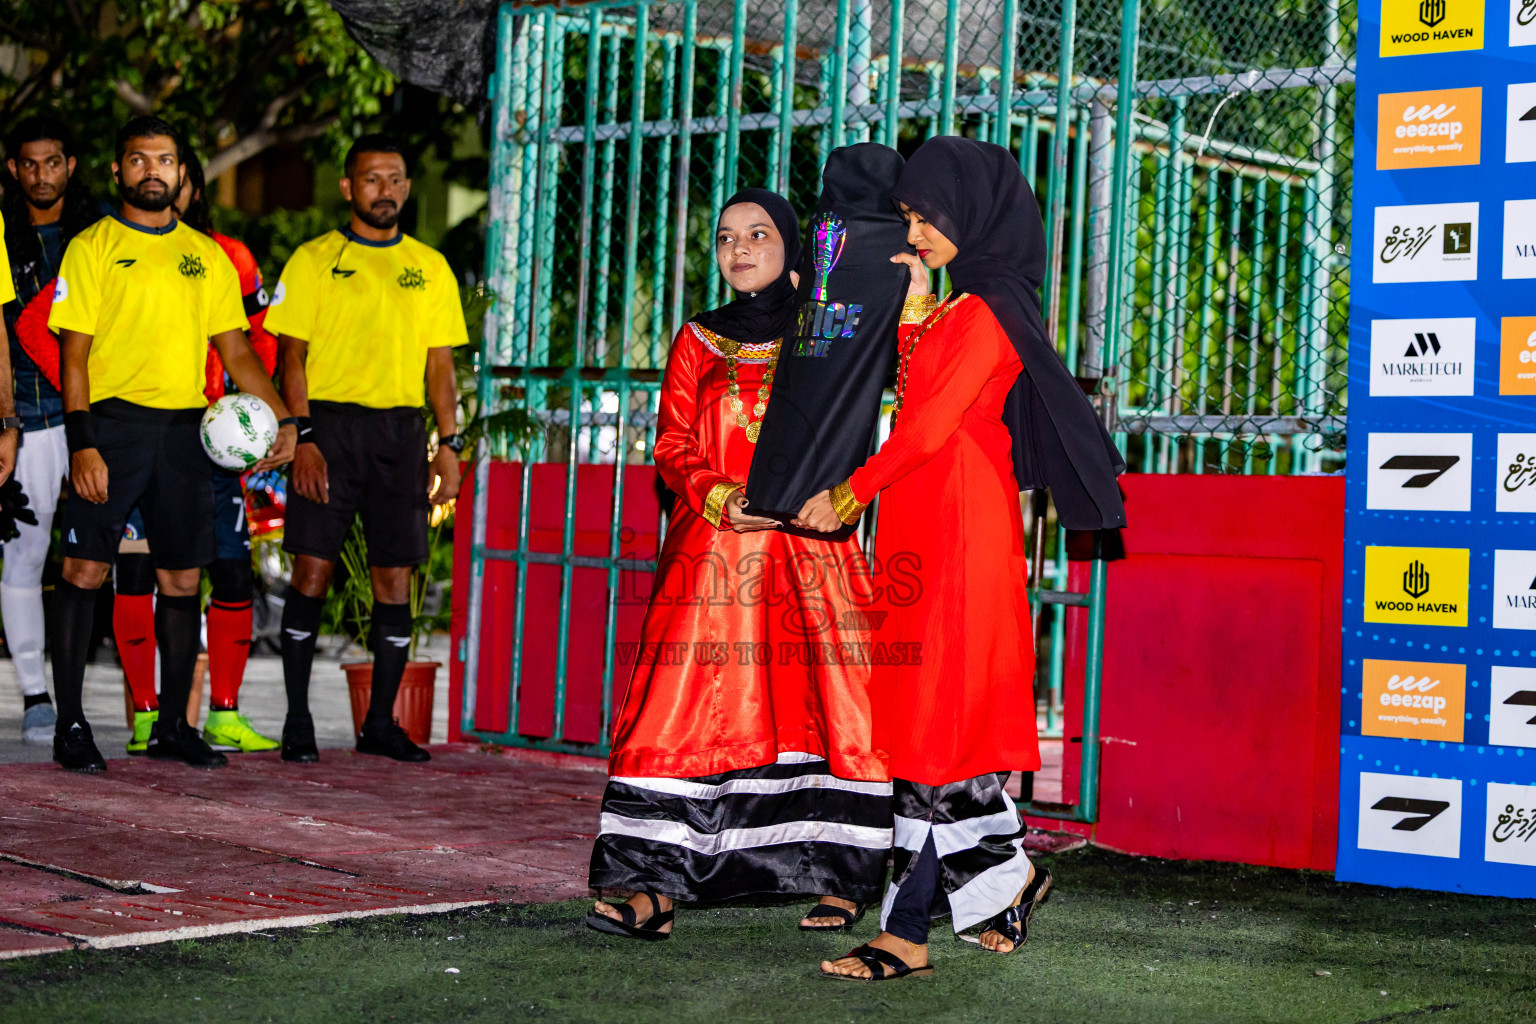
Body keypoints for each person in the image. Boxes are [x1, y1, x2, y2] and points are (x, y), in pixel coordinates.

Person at [798, 137, 1127, 981]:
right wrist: (913, 305)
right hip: (922, 516)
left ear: (974, 213)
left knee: (929, 725)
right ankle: (1005, 877)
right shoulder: (960, 304)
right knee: (925, 718)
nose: (917, 230)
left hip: (955, 526)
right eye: (909, 215)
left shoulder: (989, 309)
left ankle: (906, 930)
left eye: (928, 216)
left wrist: (850, 492)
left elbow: (930, 424)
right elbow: (918, 387)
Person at [584, 189, 891, 942]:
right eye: (725, 238)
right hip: (714, 551)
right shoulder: (699, 340)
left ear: (793, 250)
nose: (739, 249)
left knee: (832, 708)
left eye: (758, 235)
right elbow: (672, 444)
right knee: (676, 708)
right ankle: (651, 884)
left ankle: (841, 879)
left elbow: (863, 423)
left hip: (809, 550)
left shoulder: (829, 333)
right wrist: (721, 496)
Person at [45, 115, 297, 772]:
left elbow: (236, 351)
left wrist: (290, 422)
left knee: (182, 577)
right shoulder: (92, 247)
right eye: (138, 160)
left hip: (188, 433)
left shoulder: (207, 256)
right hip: (112, 429)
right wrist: (82, 441)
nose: (152, 171)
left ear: (181, 173)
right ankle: (70, 725)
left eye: (164, 160)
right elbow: (74, 355)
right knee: (83, 570)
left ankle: (175, 731)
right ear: (116, 170)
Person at [265, 133, 466, 765]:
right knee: (312, 569)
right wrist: (304, 434)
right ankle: (297, 721)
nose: (386, 190)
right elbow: (289, 356)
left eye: (396, 178)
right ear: (349, 187)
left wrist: (449, 443)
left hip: (402, 435)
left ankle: (379, 723)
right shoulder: (313, 259)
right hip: (329, 430)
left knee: (394, 576)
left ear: (408, 186)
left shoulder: (430, 267)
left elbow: (440, 366)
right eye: (372, 179)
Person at [106, 147, 281, 754]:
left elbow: (258, 343)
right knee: (137, 570)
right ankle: (148, 714)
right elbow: (46, 331)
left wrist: (255, 419)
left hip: (219, 443)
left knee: (230, 570)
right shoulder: (109, 247)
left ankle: (224, 714)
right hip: (144, 433)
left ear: (192, 188)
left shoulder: (227, 258)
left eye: (176, 177)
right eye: (146, 169)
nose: (164, 186)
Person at [1, 115, 99, 743]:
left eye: (52, 162)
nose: (41, 174)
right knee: (26, 555)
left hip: (98, 413)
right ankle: (36, 694)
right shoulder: (3, 237)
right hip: (30, 417)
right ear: (15, 170)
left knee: (95, 557)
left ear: (70, 165)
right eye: (28, 164)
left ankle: (79, 698)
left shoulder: (100, 233)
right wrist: (5, 419)